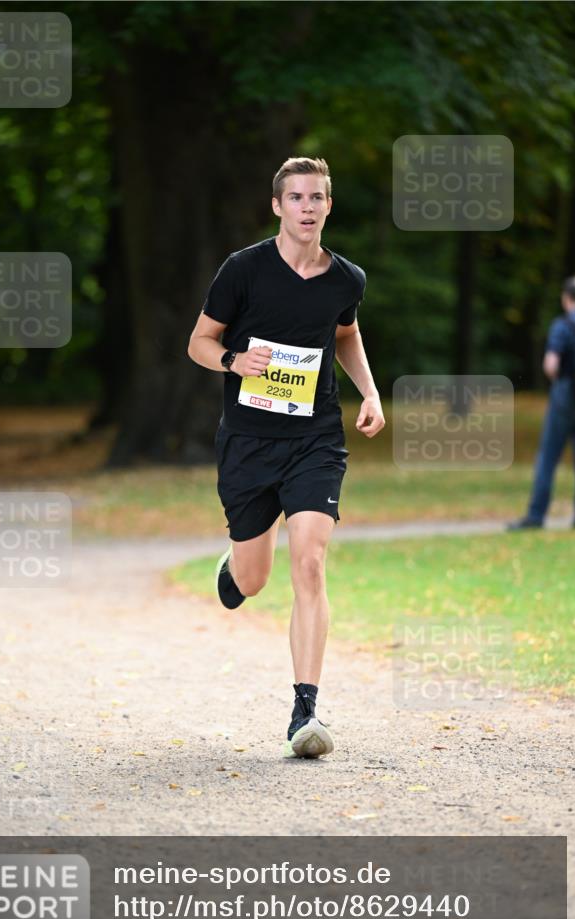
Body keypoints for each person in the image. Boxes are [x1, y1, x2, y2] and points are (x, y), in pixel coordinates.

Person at [187, 157, 385, 759]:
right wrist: (231, 362)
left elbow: (345, 333)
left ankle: (306, 711)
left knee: (311, 561)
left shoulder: (345, 280)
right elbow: (199, 340)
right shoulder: (242, 270)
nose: (306, 207)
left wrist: (371, 392)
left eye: (316, 197)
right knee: (254, 578)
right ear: (278, 206)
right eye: (295, 197)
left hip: (315, 441)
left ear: (328, 206)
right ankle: (237, 563)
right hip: (248, 443)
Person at [508, 275, 575, 530]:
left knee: (548, 456)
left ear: (566, 298)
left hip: (564, 397)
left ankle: (536, 515)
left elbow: (551, 365)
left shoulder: (562, 326)